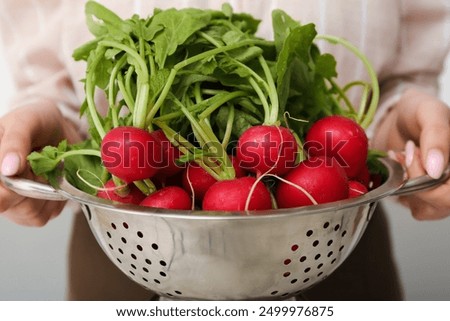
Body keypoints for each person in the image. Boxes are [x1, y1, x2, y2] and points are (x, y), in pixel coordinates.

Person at [0, 0, 448, 300]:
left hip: (328, 238)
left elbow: (400, 84)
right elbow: (52, 80)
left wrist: (407, 133)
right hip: (131, 241)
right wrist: (52, 135)